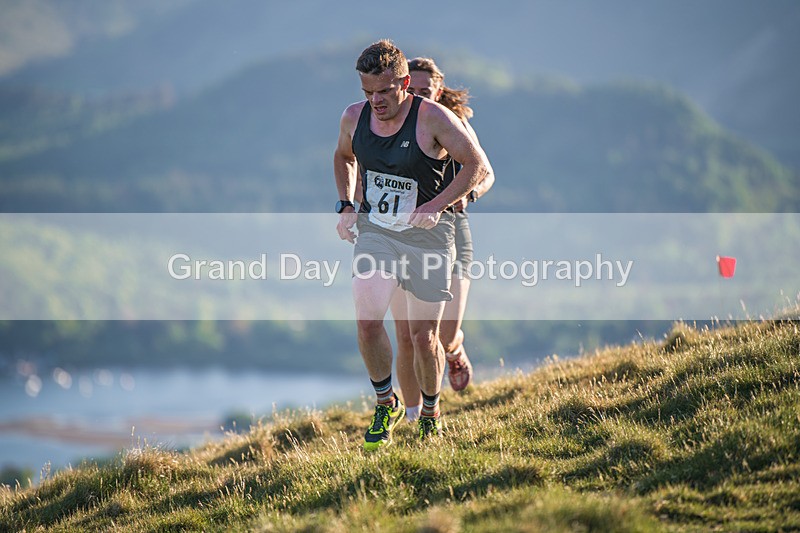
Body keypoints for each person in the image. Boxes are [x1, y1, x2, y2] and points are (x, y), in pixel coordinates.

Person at [333, 40, 491, 449]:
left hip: (428, 238)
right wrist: (347, 204)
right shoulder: (354, 117)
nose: (376, 101)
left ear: (404, 83)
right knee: (368, 321)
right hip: (378, 232)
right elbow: (344, 157)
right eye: (368, 93)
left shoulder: (433, 118)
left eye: (384, 92)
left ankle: (432, 411)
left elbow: (475, 165)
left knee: (424, 337)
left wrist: (438, 206)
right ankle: (386, 402)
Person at [391, 57, 495, 423]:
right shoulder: (394, 124)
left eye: (425, 90)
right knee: (409, 336)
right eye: (412, 89)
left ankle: (455, 349)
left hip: (452, 229)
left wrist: (466, 196)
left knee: (444, 333)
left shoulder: (456, 124)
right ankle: (415, 416)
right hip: (404, 237)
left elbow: (486, 172)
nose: (418, 96)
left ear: (438, 89)